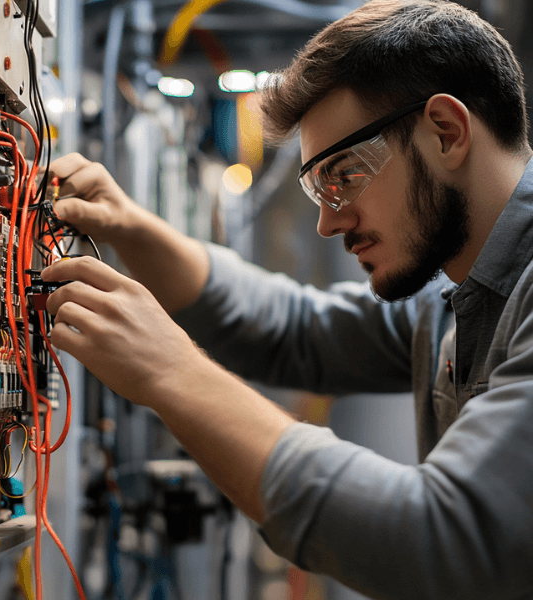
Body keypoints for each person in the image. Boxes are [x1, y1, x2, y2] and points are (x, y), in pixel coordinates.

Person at [42, 0, 533, 597]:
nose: (327, 224)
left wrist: (171, 372)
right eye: (317, 189)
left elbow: (446, 539)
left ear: (446, 132)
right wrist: (134, 230)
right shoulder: (456, 298)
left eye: (345, 175)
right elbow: (298, 333)